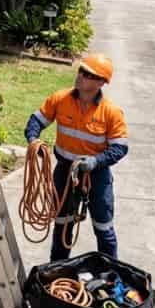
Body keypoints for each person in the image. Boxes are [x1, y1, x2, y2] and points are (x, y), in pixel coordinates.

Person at [24, 53, 128, 261]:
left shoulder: (111, 112)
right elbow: (36, 121)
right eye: (81, 71)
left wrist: (96, 161)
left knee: (103, 226)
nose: (80, 76)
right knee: (62, 224)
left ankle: (109, 274)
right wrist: (34, 139)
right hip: (64, 171)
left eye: (88, 74)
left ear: (100, 82)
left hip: (96, 176)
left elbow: (120, 148)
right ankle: (58, 269)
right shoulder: (60, 99)